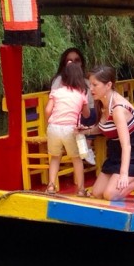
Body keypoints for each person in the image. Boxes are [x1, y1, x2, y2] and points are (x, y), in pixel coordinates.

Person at [82, 65, 134, 202]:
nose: (91, 89)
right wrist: (86, 130)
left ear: (108, 85)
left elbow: (127, 145)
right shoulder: (102, 102)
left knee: (110, 194)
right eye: (90, 85)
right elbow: (106, 127)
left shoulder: (118, 109)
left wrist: (124, 174)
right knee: (97, 192)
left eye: (95, 85)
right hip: (116, 150)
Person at [44, 61, 91, 196]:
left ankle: (51, 186)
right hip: (71, 129)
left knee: (55, 157)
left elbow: (48, 110)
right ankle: (81, 190)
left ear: (64, 77)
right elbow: (86, 114)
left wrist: (50, 122)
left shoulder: (56, 91)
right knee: (76, 159)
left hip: (54, 128)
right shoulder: (82, 93)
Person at [52, 47, 96, 165]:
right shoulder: (59, 81)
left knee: (95, 113)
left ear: (81, 63)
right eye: (69, 61)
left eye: (77, 60)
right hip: (65, 121)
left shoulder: (86, 83)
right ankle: (86, 150)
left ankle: (86, 148)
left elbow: (90, 107)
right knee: (93, 115)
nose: (73, 64)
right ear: (64, 64)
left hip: (82, 120)